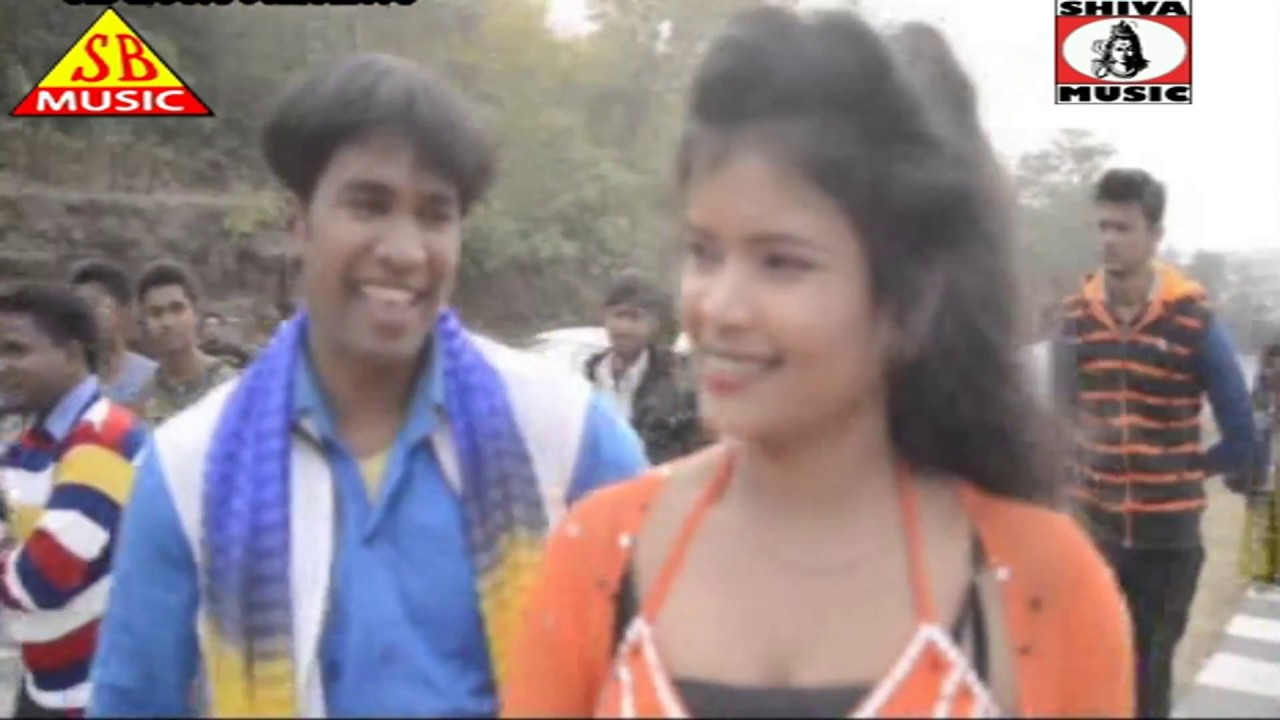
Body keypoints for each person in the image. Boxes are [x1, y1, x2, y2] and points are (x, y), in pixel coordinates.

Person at [504, 8, 1133, 718]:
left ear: (908, 299)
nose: (718, 306)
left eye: (781, 262)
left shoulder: (1040, 584)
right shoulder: (601, 552)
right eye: (704, 253)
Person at [88, 53, 648, 717]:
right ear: (299, 223)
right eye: (369, 205)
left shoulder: (564, 433)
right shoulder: (189, 468)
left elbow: (661, 664)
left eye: (435, 215)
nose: (405, 251)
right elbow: (134, 700)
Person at [1051, 168, 1255, 718]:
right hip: (1095, 533)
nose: (1109, 239)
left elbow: (1242, 432)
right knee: (1086, 671)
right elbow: (1057, 423)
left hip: (1168, 541)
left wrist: (1185, 471)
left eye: (1123, 227)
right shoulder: (1075, 319)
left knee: (1147, 675)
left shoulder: (1192, 320)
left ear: (1155, 235)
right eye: (1103, 226)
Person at [0, 284, 147, 717]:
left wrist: (19, 558)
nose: (2, 365)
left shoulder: (105, 438)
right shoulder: (31, 443)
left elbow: (42, 579)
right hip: (46, 686)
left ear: (71, 354)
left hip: (100, 692)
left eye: (15, 350)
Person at [585, 275, 705, 464]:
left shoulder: (677, 379)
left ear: (653, 324)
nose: (624, 328)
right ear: (605, 318)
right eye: (618, 316)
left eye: (634, 318)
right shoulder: (588, 376)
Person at [134, 261, 239, 426]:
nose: (167, 322)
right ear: (144, 321)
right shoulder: (143, 399)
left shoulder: (228, 386)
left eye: (177, 309)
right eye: (156, 313)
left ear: (196, 312)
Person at [68, 260, 157, 409]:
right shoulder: (67, 383)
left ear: (123, 309)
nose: (86, 314)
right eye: (79, 307)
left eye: (93, 303)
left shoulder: (151, 378)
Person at [1237, 341, 1280, 585]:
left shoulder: (1264, 381)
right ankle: (1260, 569)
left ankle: (1264, 569)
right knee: (1261, 512)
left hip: (1267, 455)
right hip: (1264, 457)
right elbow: (1253, 417)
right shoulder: (1263, 383)